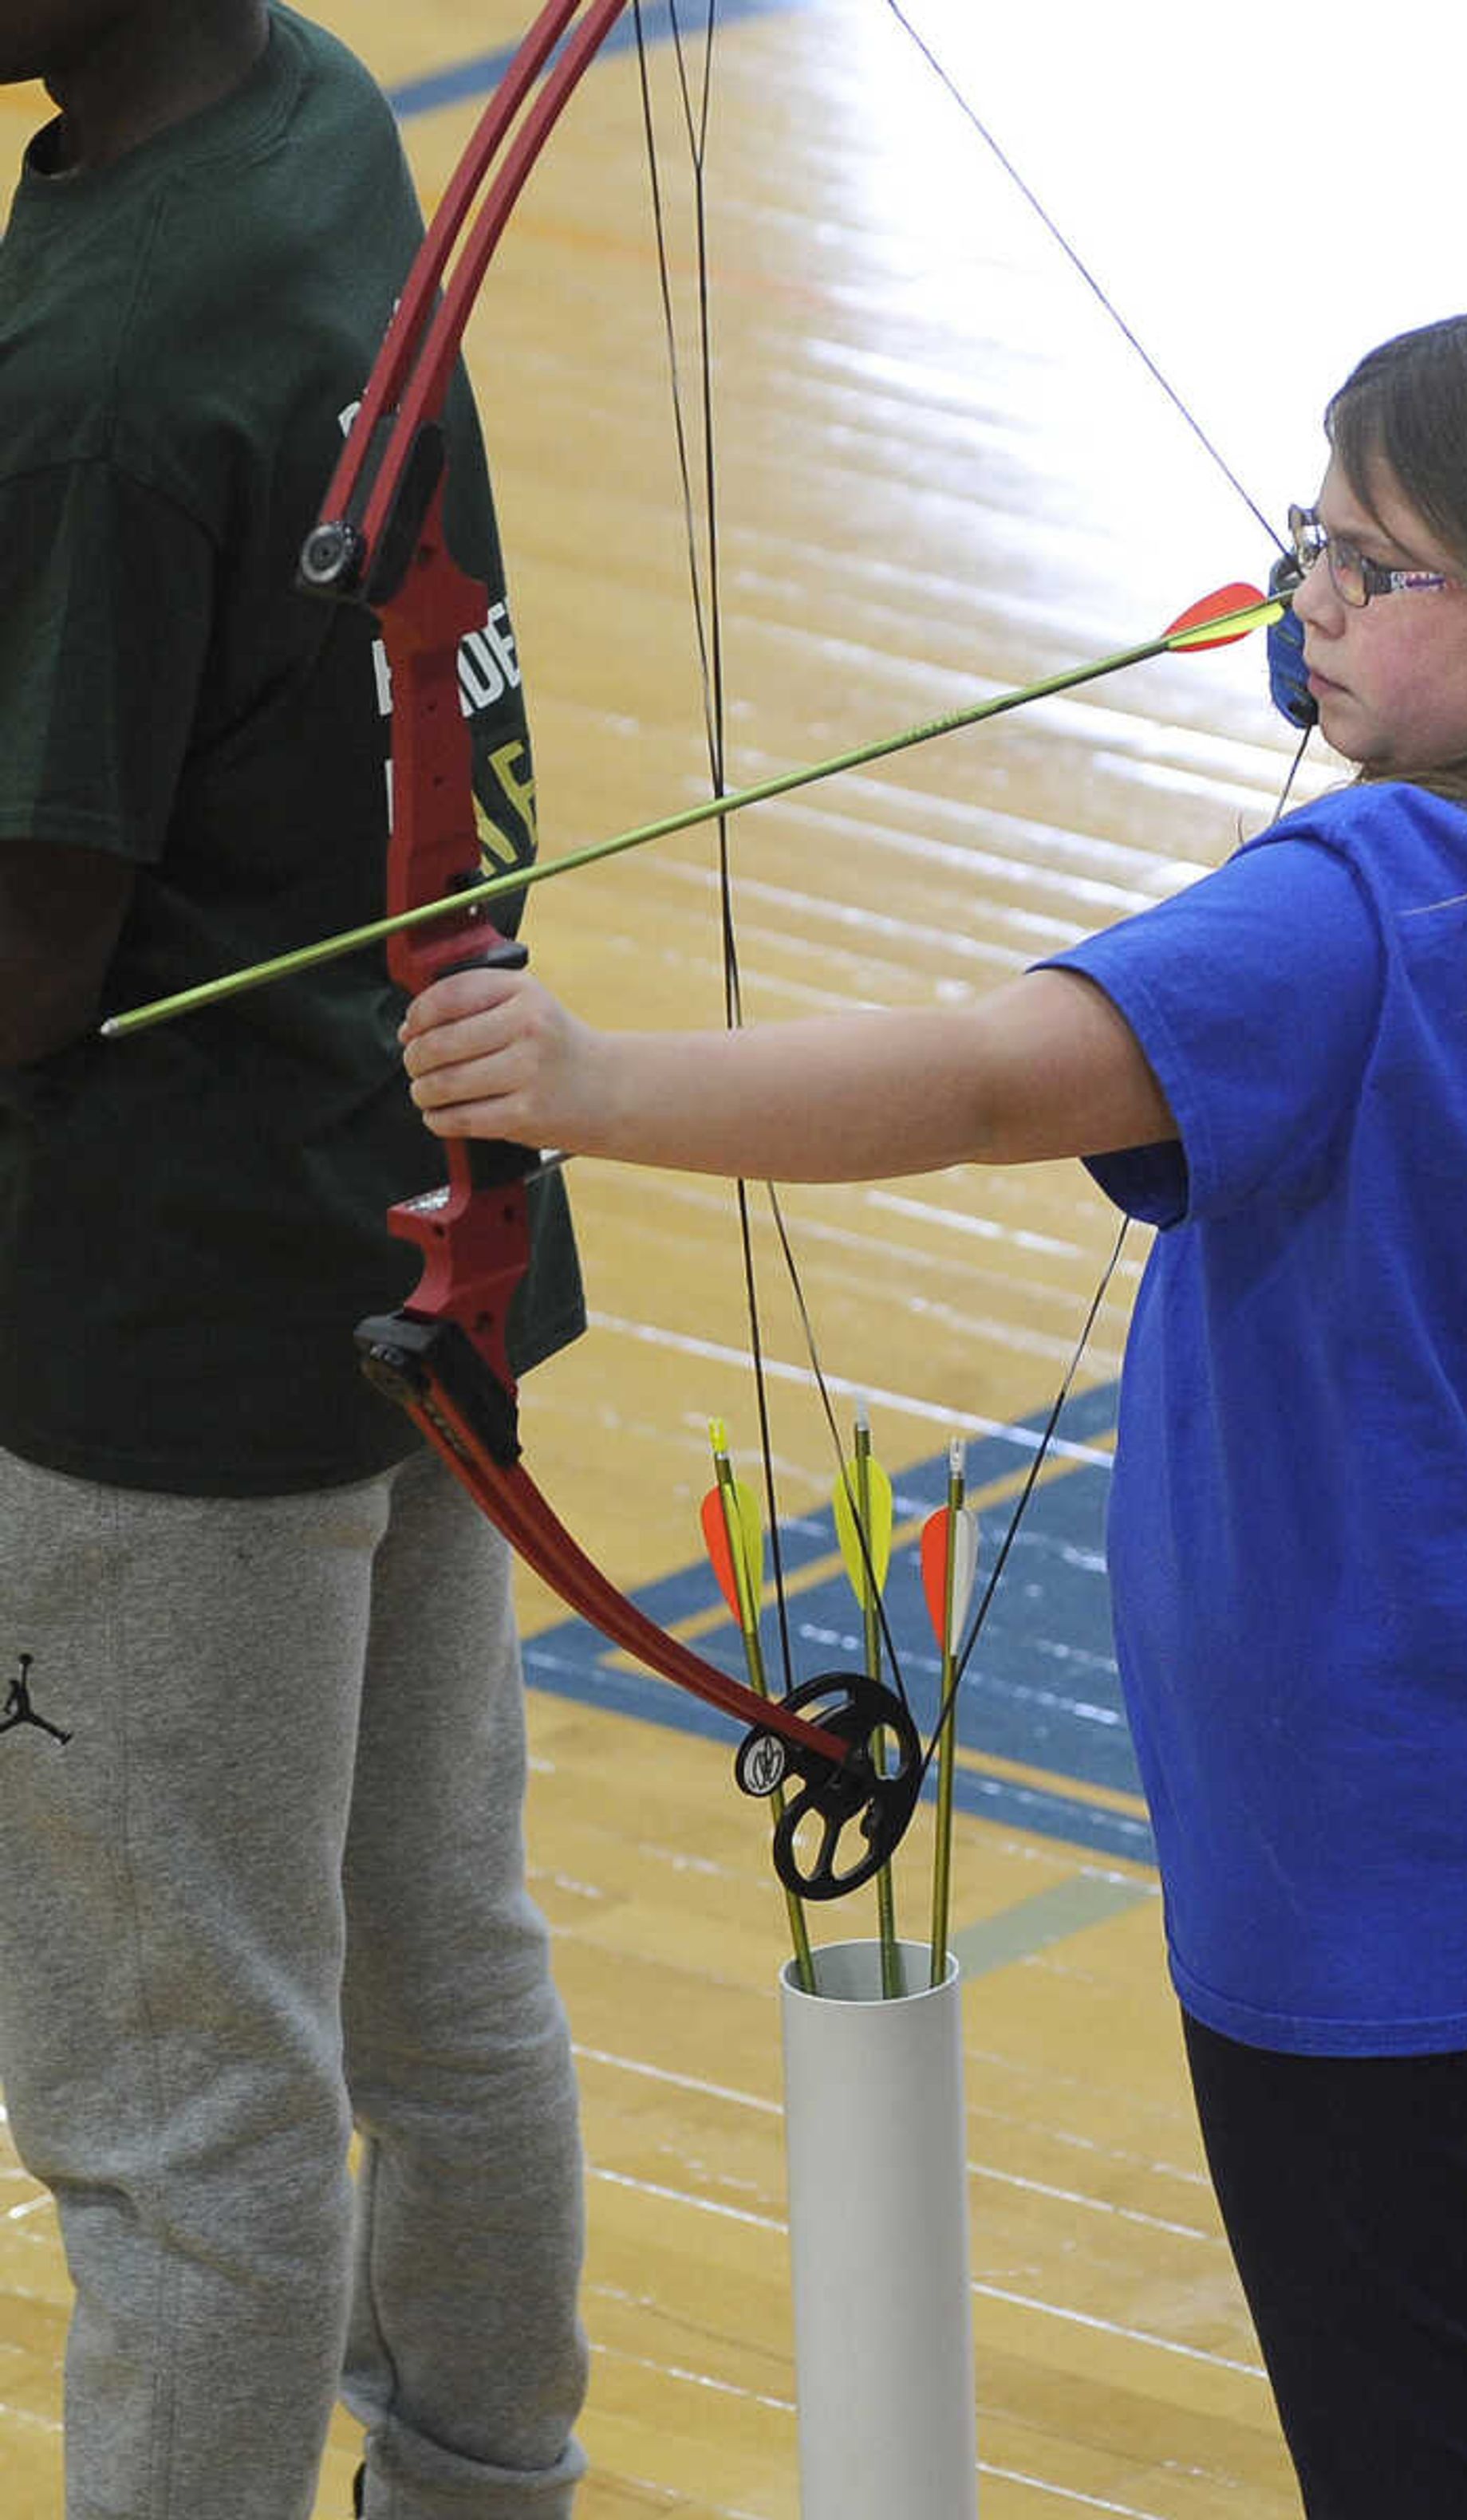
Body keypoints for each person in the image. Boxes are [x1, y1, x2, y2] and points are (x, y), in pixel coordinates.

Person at [394, 297, 1467, 2519]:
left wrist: (593, 1090)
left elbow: (986, 1078)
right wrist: (1423, 610)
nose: (1313, 604)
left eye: (1378, 568)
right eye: (1311, 550)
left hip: (1368, 1871)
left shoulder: (1355, 916)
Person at [0, 6, 593, 2515]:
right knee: (435, 1972)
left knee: (180, 2114)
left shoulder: (115, 370)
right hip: (418, 1216)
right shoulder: (316, 104)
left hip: (166, 1345)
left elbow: (29, 947)